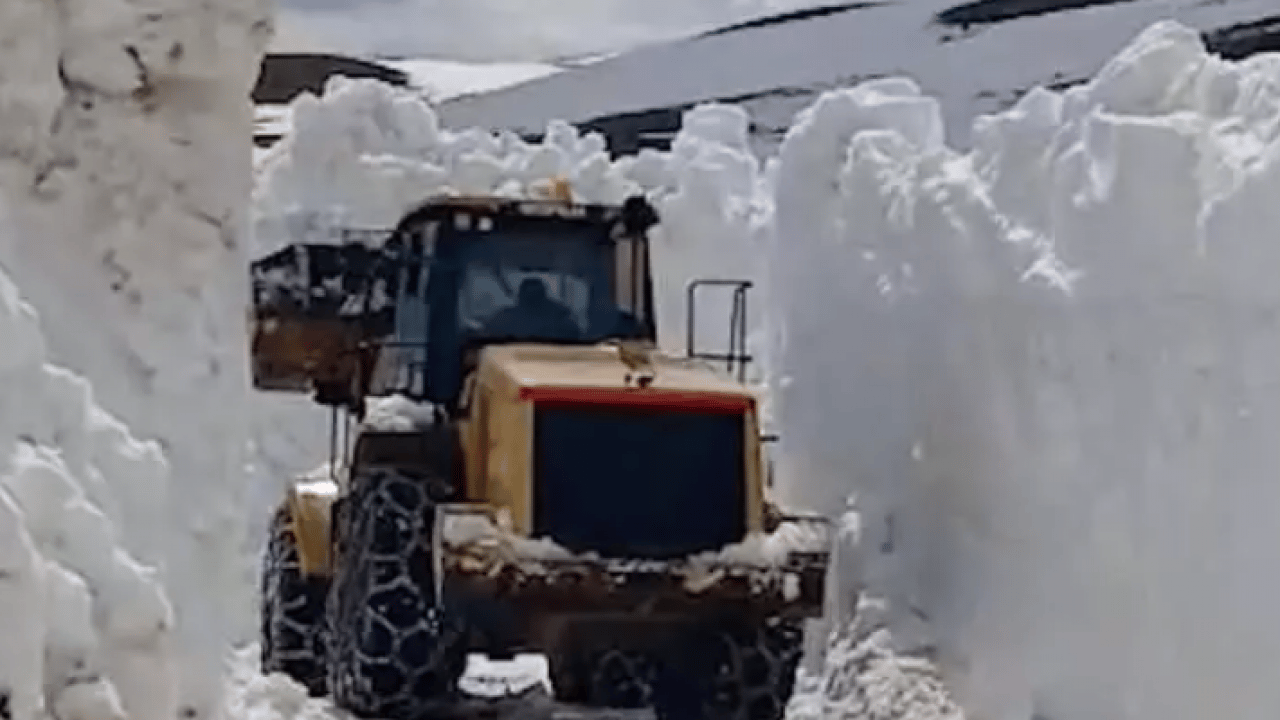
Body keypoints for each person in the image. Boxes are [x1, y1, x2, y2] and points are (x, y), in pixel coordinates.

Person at [479, 277, 581, 341]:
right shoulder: (504, 319)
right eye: (529, 295)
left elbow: (577, 339)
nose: (533, 300)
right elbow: (485, 341)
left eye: (536, 295)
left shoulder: (560, 317)